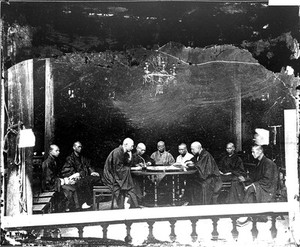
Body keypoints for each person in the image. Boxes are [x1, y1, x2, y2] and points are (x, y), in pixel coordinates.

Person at [237, 145, 279, 226]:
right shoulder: (260, 162)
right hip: (262, 185)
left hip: (268, 188)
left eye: (253, 152)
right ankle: (249, 214)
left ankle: (245, 216)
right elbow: (255, 177)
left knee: (250, 189)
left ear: (260, 151)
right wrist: (246, 180)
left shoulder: (268, 163)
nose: (252, 154)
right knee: (244, 187)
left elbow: (267, 180)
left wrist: (252, 185)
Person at [61, 141, 101, 211]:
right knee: (82, 183)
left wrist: (92, 172)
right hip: (76, 178)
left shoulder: (83, 157)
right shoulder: (70, 159)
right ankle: (85, 203)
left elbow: (89, 166)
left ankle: (88, 202)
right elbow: (68, 171)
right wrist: (77, 175)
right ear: (74, 148)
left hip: (84, 177)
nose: (80, 148)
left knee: (93, 179)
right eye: (78, 147)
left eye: (81, 147)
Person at [103, 138, 141, 209]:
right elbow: (118, 169)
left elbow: (124, 165)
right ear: (126, 144)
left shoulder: (123, 152)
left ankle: (132, 204)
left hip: (117, 175)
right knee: (130, 185)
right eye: (132, 146)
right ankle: (131, 204)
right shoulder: (117, 152)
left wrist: (130, 160)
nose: (132, 148)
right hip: (111, 177)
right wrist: (131, 169)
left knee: (132, 183)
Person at [42, 144, 78, 212]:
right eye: (56, 151)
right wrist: (62, 181)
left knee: (73, 187)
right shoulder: (47, 163)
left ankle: (71, 208)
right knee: (70, 190)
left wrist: (66, 179)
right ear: (50, 152)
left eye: (58, 150)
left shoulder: (54, 161)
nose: (58, 152)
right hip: (50, 186)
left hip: (55, 183)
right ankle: (70, 208)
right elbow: (48, 180)